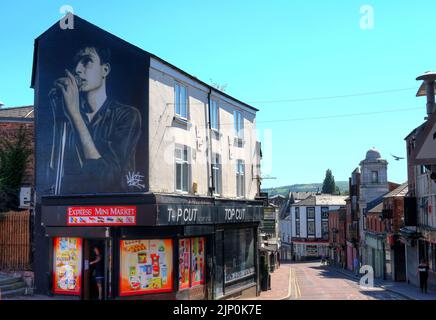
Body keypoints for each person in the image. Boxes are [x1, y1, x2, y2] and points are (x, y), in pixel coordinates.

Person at [51, 45, 142, 194]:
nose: (78, 69)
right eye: (76, 63)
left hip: (114, 209)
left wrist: (74, 115)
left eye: (87, 61)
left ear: (105, 70)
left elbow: (106, 177)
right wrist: (59, 114)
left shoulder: (127, 115)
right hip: (73, 206)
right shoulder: (67, 115)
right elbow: (54, 169)